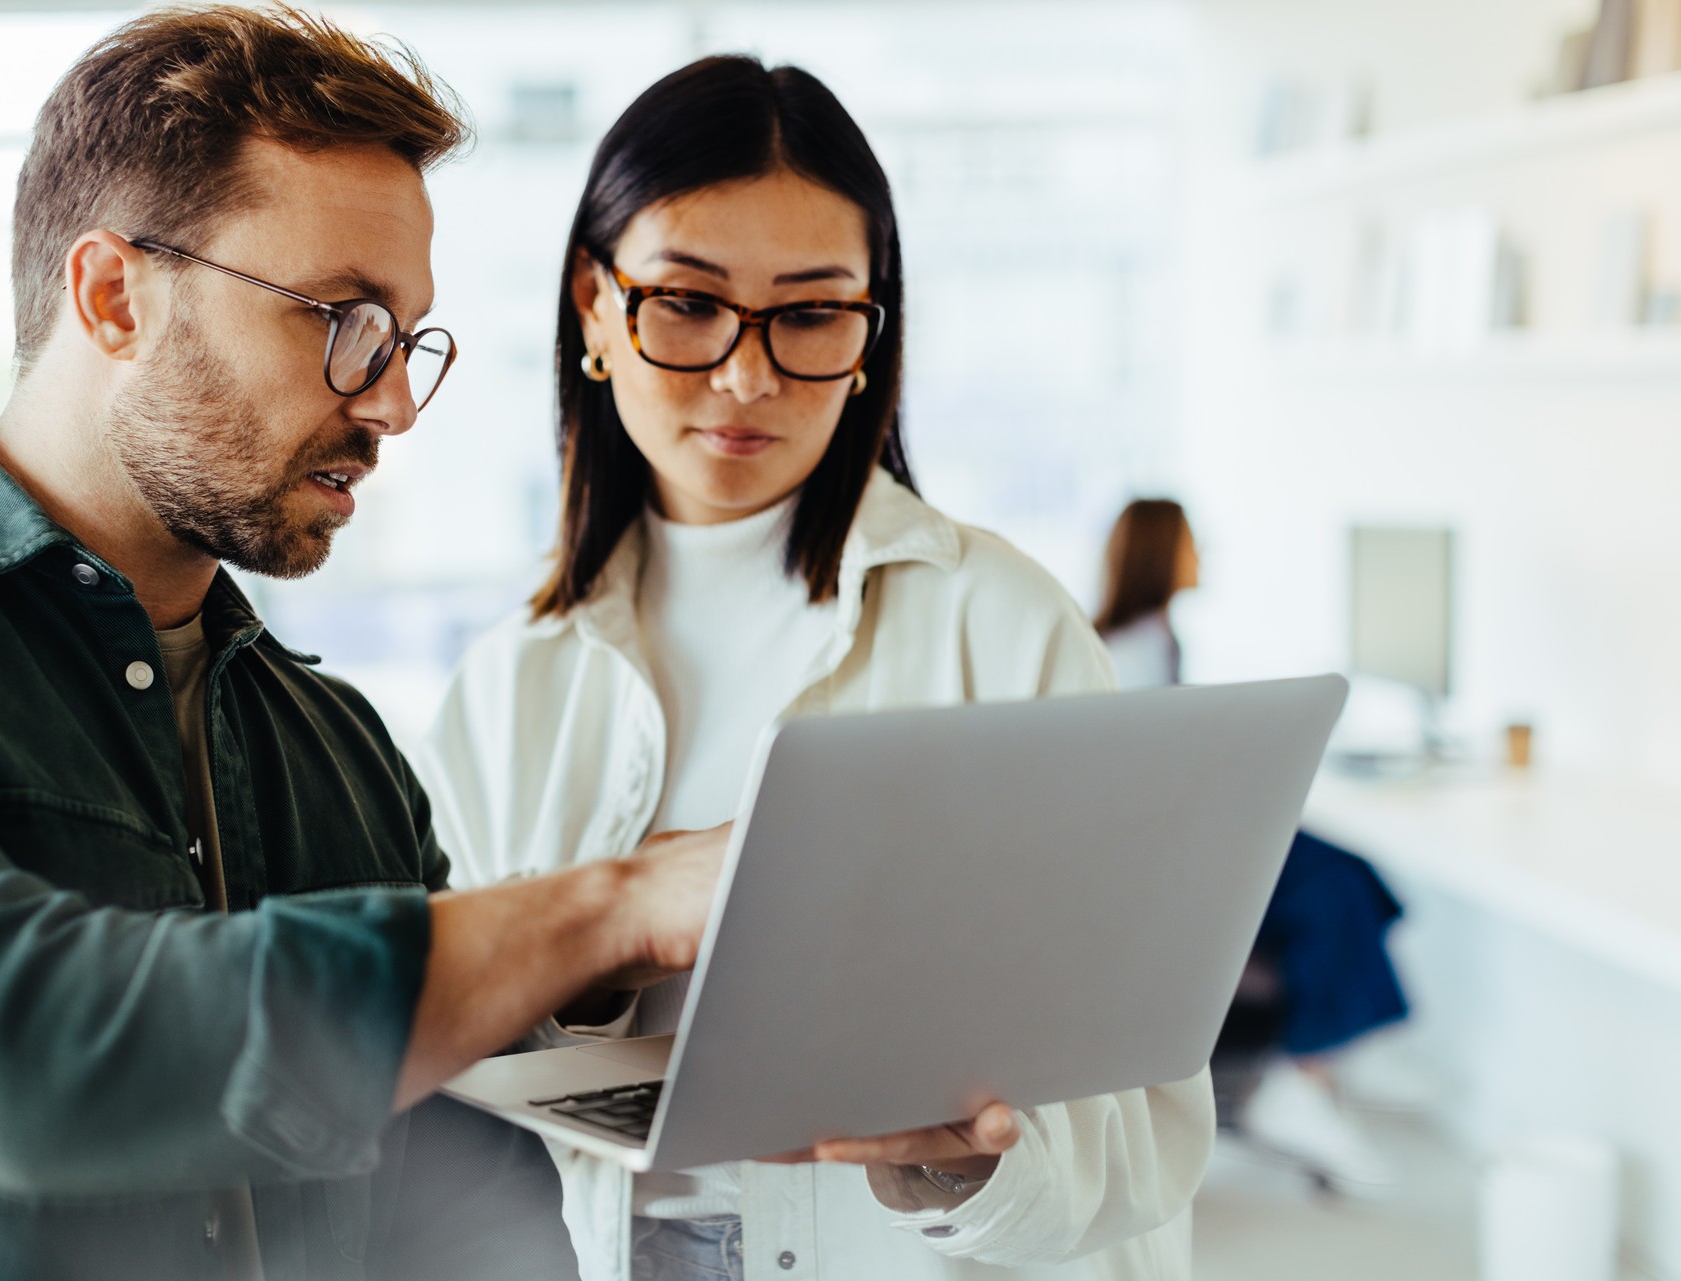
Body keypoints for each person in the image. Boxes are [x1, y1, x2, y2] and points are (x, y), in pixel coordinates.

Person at [0, 8, 734, 1279]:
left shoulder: (336, 747)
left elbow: (466, 1204)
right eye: (340, 317)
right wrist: (612, 906)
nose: (388, 403)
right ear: (114, 296)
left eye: (404, 341)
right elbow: (16, 1051)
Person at [418, 56, 1214, 1281]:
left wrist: (962, 1166)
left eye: (807, 313)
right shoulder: (507, 687)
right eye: (687, 302)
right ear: (593, 304)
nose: (748, 375)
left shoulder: (998, 624)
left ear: (868, 331)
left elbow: (1148, 1131)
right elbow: (450, 1075)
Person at [1092, 498, 1410, 1190]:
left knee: (1357, 875)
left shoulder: (1153, 636)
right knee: (1334, 892)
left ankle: (1340, 1045)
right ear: (1161, 554)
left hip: (1190, 837)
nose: (1203, 555)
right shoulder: (1136, 650)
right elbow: (1144, 787)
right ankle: (1310, 1069)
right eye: (1191, 544)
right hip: (1167, 863)